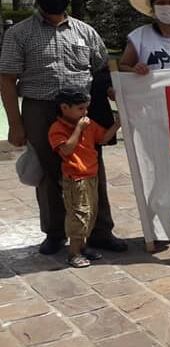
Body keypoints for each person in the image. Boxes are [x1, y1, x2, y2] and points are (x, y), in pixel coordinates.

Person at [0, 0, 126, 255]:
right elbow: (7, 80)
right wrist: (15, 124)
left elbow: (102, 71)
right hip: (40, 108)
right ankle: (55, 233)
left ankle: (99, 231)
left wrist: (112, 92)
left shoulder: (86, 32)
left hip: (84, 109)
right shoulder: (19, 34)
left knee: (91, 169)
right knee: (48, 172)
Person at [48, 89, 120, 268]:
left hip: (91, 175)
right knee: (78, 215)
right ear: (65, 108)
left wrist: (117, 125)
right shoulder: (57, 129)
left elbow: (102, 138)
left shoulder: (89, 124)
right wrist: (79, 129)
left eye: (86, 109)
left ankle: (83, 247)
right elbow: (66, 150)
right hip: (75, 179)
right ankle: (73, 253)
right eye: (80, 109)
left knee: (91, 214)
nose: (85, 113)